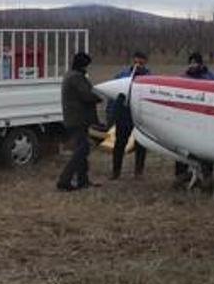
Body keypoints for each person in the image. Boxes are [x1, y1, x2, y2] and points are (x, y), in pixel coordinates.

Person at [174, 52, 214, 186]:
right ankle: (181, 174)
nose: (193, 65)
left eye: (195, 63)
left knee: (205, 149)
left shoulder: (210, 77)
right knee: (181, 147)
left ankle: (207, 175)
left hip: (204, 120)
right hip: (187, 119)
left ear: (201, 64)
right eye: (191, 63)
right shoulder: (183, 78)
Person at [57, 52, 100, 191]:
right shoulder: (77, 77)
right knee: (82, 149)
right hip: (78, 119)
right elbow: (87, 95)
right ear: (83, 65)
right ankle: (65, 180)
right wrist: (100, 95)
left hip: (74, 119)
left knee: (82, 149)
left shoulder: (70, 75)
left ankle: (83, 180)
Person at [108, 51, 150, 178]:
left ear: (145, 62)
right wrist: (111, 114)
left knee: (141, 144)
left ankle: (138, 171)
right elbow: (114, 95)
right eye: (136, 62)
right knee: (120, 144)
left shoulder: (149, 77)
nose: (138, 65)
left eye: (141, 62)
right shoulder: (122, 75)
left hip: (140, 116)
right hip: (124, 115)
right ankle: (116, 172)